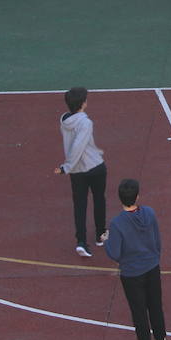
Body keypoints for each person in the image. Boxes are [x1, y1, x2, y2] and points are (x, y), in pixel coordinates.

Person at [105, 178, 171, 340]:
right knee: (155, 306)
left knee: (139, 313)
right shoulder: (149, 213)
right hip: (152, 266)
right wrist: (154, 257)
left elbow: (114, 253)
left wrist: (108, 240)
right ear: (137, 196)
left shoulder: (117, 224)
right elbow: (157, 240)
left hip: (132, 273)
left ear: (120, 199)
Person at [52, 86, 107, 258]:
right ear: (82, 103)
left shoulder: (64, 119)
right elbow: (78, 146)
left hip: (77, 172)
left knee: (80, 205)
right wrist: (66, 167)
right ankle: (100, 235)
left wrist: (69, 167)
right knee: (99, 199)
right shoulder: (85, 122)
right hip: (93, 166)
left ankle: (81, 241)